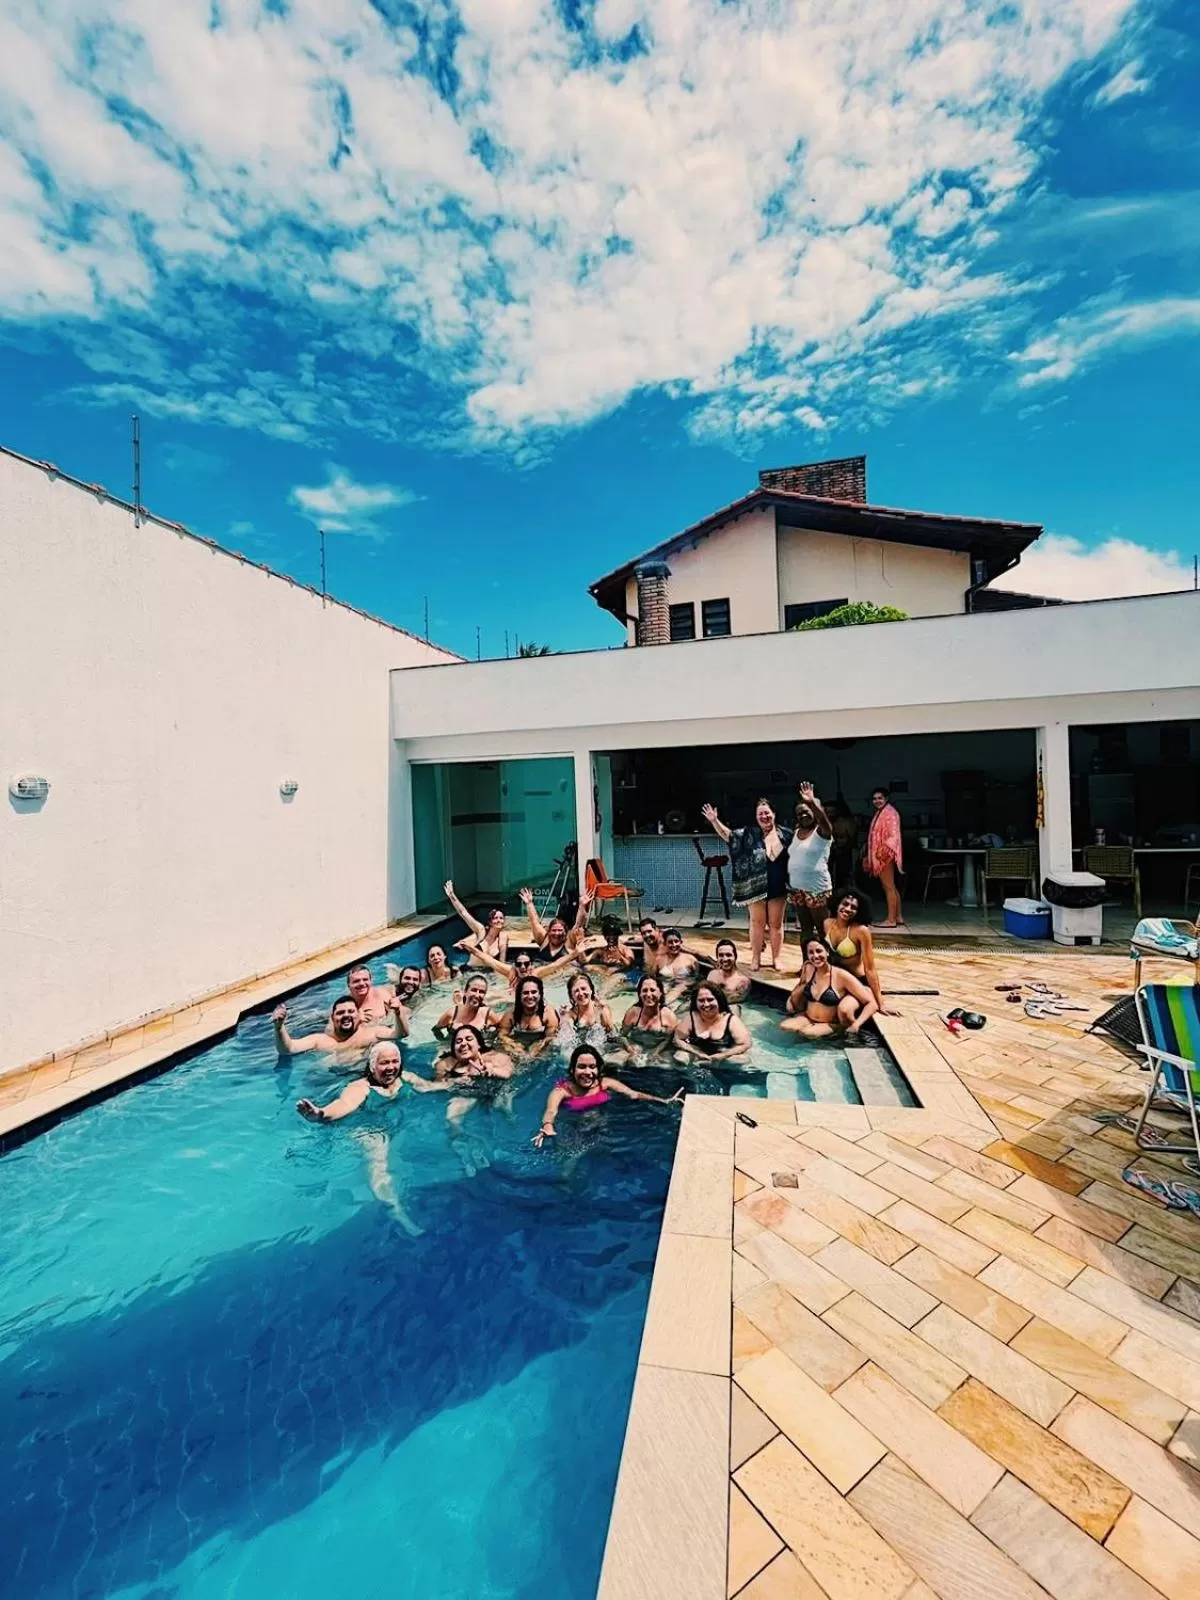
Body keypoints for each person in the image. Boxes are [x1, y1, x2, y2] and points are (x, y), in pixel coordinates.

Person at [295, 1040, 424, 1234]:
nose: (391, 1067)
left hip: (391, 1125)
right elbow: (344, 1105)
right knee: (378, 1160)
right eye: (384, 1063)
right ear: (372, 1066)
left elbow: (433, 1087)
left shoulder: (405, 1078)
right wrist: (321, 1115)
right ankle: (394, 1208)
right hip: (364, 1130)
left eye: (394, 1061)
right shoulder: (359, 1088)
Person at [701, 798, 792, 971]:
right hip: (754, 887)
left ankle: (777, 958)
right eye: (760, 814)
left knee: (776, 925)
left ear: (774, 814)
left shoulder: (786, 834)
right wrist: (714, 821)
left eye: (767, 813)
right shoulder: (750, 834)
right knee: (757, 924)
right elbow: (729, 836)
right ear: (756, 817)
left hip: (778, 886)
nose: (764, 816)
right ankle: (756, 958)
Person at [532, 1044, 684, 1147]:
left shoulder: (604, 1083)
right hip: (574, 1130)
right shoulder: (562, 1091)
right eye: (581, 1067)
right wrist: (548, 1126)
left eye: (592, 1067)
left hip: (602, 1127)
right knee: (570, 1165)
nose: (587, 1072)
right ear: (572, 1069)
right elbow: (551, 1111)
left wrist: (663, 1100)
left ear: (598, 1069)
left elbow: (633, 1094)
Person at [822, 887, 896, 1016]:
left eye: (853, 907)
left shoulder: (861, 931)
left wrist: (881, 1003)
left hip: (858, 981)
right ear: (837, 904)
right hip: (837, 979)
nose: (848, 909)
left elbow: (870, 969)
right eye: (845, 904)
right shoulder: (827, 924)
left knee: (844, 1010)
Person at [782, 938, 878, 1037]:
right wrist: (791, 998)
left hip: (830, 1023)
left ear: (827, 952)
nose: (815, 956)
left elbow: (871, 1003)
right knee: (785, 1026)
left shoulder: (840, 975)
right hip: (808, 1017)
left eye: (819, 951)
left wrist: (856, 1024)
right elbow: (800, 985)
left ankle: (838, 1031)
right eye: (811, 952)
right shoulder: (808, 968)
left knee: (807, 1033)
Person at [272, 995, 402, 1061]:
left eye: (351, 1011)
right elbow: (288, 1049)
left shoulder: (372, 1033)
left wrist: (398, 1012)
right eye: (340, 1013)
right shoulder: (320, 1040)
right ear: (333, 1018)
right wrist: (279, 1027)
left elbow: (400, 1033)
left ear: (358, 1014)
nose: (346, 1015)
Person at [787, 782, 834, 944]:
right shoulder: (796, 832)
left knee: (822, 930)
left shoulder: (822, 831)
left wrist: (812, 802)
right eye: (799, 813)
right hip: (797, 889)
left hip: (816, 889)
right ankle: (807, 965)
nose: (803, 816)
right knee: (806, 930)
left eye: (806, 812)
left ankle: (828, 966)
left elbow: (823, 820)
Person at [675, 982, 751, 1062]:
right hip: (697, 1055)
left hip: (723, 1057)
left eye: (710, 999)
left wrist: (723, 1055)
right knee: (681, 1056)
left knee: (742, 1060)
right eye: (701, 1000)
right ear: (695, 1002)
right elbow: (678, 1039)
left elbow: (745, 1044)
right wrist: (697, 1053)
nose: (706, 1004)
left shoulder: (731, 1020)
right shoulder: (691, 1018)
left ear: (718, 1000)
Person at [864, 787, 904, 928]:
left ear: (886, 798)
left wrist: (885, 849)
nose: (877, 801)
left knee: (888, 887)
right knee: (891, 886)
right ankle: (898, 916)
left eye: (880, 798)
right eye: (874, 798)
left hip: (885, 854)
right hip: (882, 853)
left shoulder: (890, 813)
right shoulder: (882, 812)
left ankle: (891, 919)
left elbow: (893, 835)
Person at [444, 880, 510, 965]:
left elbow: (502, 962)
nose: (498, 920)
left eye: (501, 918)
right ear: (490, 922)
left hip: (487, 974)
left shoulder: (502, 938)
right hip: (470, 971)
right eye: (495, 918)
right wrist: (451, 895)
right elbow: (463, 913)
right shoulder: (481, 931)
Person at [496, 974, 560, 1059]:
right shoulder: (511, 1014)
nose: (530, 996)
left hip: (540, 1049)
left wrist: (538, 1046)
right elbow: (502, 1035)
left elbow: (551, 1037)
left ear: (540, 994)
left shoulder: (548, 1013)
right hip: (517, 1045)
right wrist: (513, 1045)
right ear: (519, 996)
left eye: (534, 992)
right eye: (525, 993)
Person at [519, 885, 591, 959]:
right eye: (554, 930)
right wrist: (529, 903)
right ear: (548, 931)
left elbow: (578, 925)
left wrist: (582, 906)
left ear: (565, 932)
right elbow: (534, 922)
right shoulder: (544, 940)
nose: (557, 933)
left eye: (560, 930)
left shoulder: (569, 942)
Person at [618, 974, 679, 1059]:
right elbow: (622, 1036)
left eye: (652, 990)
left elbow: (669, 1041)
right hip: (636, 1047)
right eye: (644, 990)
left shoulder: (669, 1017)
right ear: (639, 994)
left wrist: (656, 1052)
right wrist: (630, 1049)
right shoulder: (633, 1013)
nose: (648, 994)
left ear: (660, 993)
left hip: (660, 1050)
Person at [559, 970, 616, 1053]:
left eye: (583, 988)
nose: (581, 993)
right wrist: (563, 1018)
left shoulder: (601, 1009)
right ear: (572, 996)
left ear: (591, 990)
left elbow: (612, 1035)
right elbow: (566, 1042)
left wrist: (603, 1013)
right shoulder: (571, 1014)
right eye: (576, 991)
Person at [432, 973, 503, 1040]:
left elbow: (503, 1028)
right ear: (465, 992)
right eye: (474, 990)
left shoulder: (487, 1014)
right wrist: (444, 1042)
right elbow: (436, 1030)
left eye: (481, 992)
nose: (477, 995)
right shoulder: (452, 1014)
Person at [705, 938, 751, 1004]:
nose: (725, 959)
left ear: (735, 957)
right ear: (717, 958)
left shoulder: (743, 981)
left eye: (728, 955)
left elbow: (739, 1000)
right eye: (721, 955)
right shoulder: (713, 975)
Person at [826, 799, 858, 890]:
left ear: (837, 811)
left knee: (844, 878)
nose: (829, 814)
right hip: (829, 853)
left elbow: (853, 841)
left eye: (832, 811)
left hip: (846, 853)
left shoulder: (846, 822)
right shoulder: (824, 823)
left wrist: (841, 847)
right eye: (827, 811)